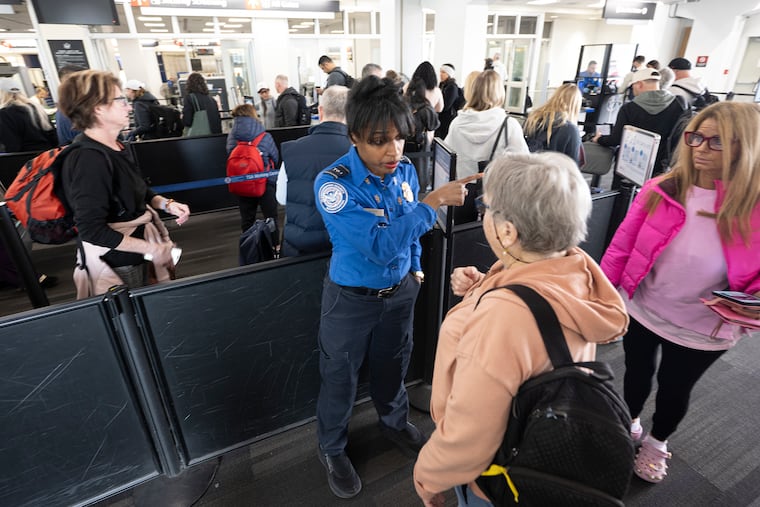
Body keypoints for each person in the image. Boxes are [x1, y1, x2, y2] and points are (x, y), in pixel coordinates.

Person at [413, 151, 628, 507]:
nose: (484, 215)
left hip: (495, 480)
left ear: (508, 231)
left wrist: (427, 477)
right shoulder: (573, 271)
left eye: (488, 209)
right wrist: (484, 287)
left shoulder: (504, 318)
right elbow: (539, 324)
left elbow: (469, 436)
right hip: (541, 441)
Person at [313, 75, 480, 500]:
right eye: (379, 141)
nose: (393, 151)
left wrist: (417, 270)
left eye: (399, 139)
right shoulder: (333, 185)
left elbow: (408, 235)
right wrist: (434, 203)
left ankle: (393, 423)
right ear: (354, 137)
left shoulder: (404, 169)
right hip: (350, 300)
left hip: (400, 293)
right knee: (340, 377)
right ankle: (332, 448)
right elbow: (379, 246)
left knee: (395, 364)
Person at [601, 101, 760, 484]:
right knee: (636, 372)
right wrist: (604, 296)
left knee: (676, 388)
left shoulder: (752, 209)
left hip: (703, 327)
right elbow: (622, 245)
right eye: (696, 138)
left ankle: (657, 442)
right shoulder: (662, 188)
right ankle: (632, 421)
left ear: (747, 147)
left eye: (717, 141)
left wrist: (746, 320)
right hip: (644, 307)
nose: (701, 148)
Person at [57, 70, 190, 298]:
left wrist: (166, 204)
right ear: (98, 107)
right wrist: (152, 249)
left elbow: (137, 191)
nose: (128, 107)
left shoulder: (115, 147)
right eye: (121, 101)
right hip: (117, 265)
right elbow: (91, 230)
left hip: (136, 254)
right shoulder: (87, 159)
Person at [277, 85, 350, 257]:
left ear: (320, 110)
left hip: (299, 249)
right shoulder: (360, 152)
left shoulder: (292, 150)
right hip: (344, 250)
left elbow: (281, 198)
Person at [593, 68, 685, 174]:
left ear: (640, 84)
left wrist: (599, 139)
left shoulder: (629, 108)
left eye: (633, 86)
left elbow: (616, 139)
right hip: (661, 166)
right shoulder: (678, 104)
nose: (633, 90)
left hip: (630, 165)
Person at [444, 70, 529, 177]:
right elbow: (524, 165)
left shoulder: (457, 123)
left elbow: (446, 160)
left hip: (463, 188)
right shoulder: (509, 125)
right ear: (500, 92)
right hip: (496, 189)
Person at [226, 104, 280, 235]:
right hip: (265, 181)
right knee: (270, 217)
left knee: (247, 218)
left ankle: (248, 246)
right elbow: (275, 157)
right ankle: (275, 247)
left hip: (243, 181)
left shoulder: (232, 137)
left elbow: (230, 154)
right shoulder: (264, 136)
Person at [523, 83, 583, 164]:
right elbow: (574, 165)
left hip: (528, 171)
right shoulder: (570, 130)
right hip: (553, 174)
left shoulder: (531, 120)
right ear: (575, 105)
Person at [0, 78, 57, 153]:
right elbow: (53, 136)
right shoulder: (36, 108)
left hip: (27, 160)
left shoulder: (4, 114)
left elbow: (12, 146)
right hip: (48, 156)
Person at [403, 76, 440, 190]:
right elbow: (433, 125)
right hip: (420, 147)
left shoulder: (402, 105)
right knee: (420, 173)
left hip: (403, 146)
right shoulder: (426, 108)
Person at [436, 63, 461, 139]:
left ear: (449, 74)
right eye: (440, 71)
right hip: (441, 117)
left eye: (443, 72)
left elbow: (446, 106)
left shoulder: (452, 87)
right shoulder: (442, 84)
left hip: (447, 119)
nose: (440, 74)